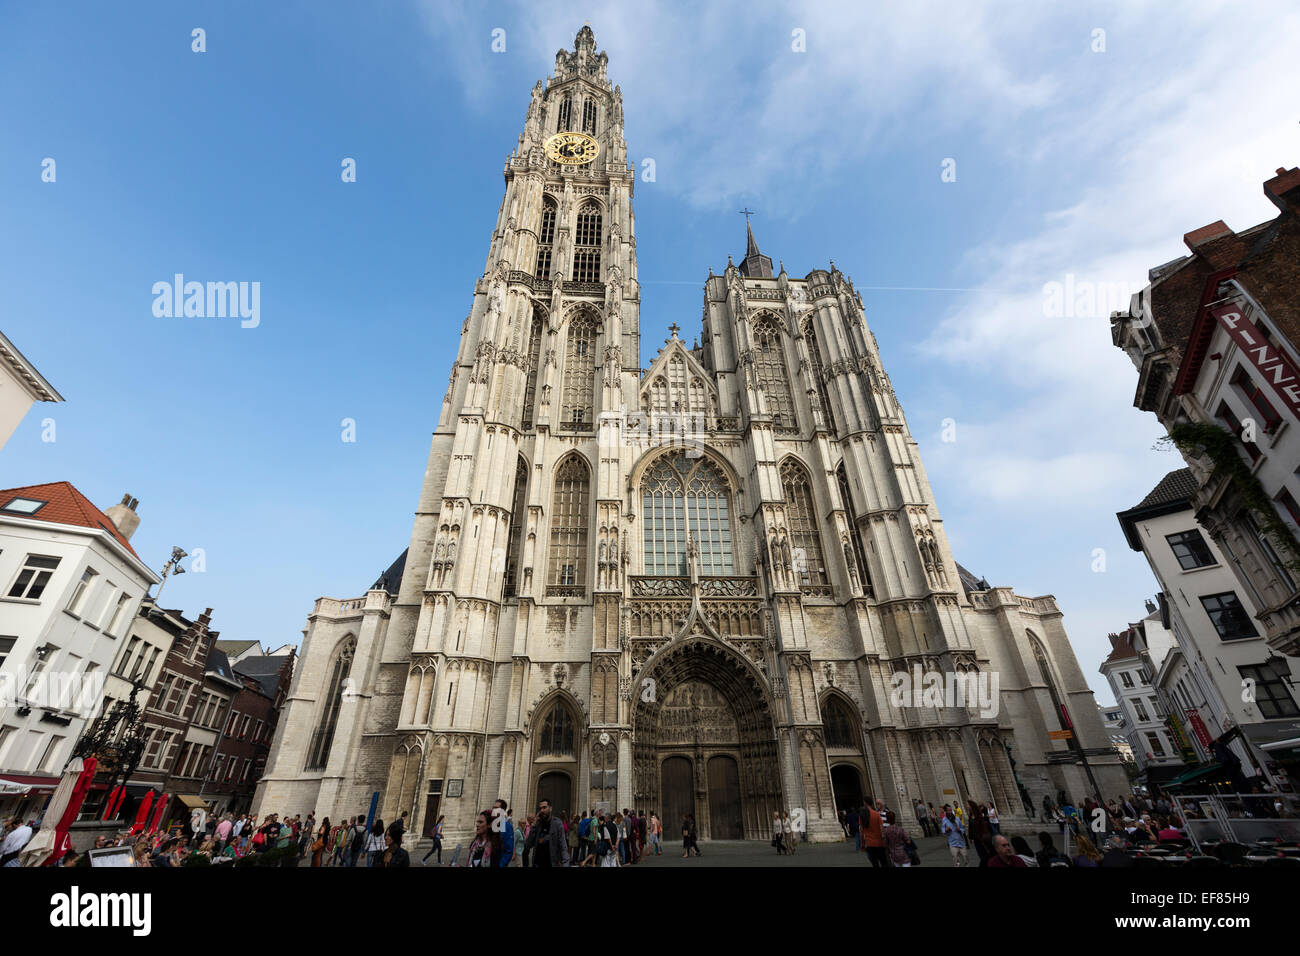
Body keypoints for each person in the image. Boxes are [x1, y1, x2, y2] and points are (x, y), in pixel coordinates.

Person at [525, 799, 569, 867]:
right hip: (537, 863)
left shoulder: (557, 823)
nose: (542, 810)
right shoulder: (538, 824)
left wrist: (565, 863)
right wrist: (533, 825)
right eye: (540, 808)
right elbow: (528, 845)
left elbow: (563, 845)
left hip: (551, 863)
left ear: (550, 808)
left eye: (544, 807)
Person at [859, 800, 887, 868]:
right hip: (880, 843)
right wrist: (885, 841)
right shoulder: (877, 814)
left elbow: (861, 832)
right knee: (884, 862)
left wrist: (862, 844)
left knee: (874, 863)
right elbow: (882, 828)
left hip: (869, 844)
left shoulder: (862, 817)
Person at [492, 799, 514, 868]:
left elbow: (509, 850)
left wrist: (501, 864)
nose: (493, 810)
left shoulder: (506, 826)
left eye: (496, 808)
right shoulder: (491, 824)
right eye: (493, 808)